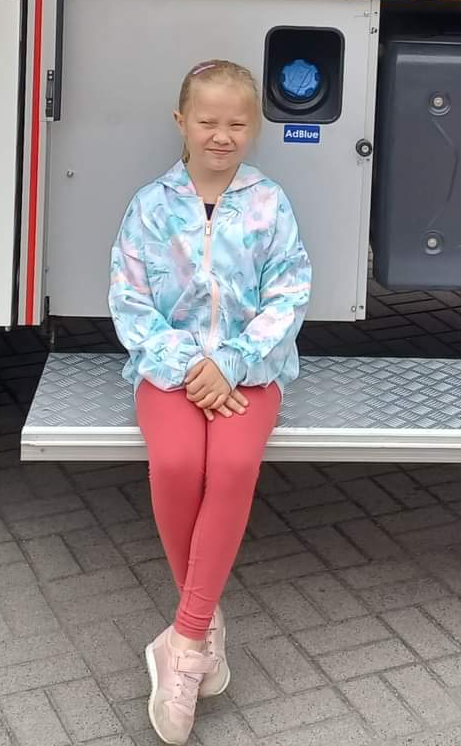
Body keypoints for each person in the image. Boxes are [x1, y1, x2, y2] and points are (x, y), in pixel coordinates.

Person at [109, 59, 312, 745]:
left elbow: (290, 293)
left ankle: (186, 640)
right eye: (207, 121)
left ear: (254, 129)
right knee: (175, 465)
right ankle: (202, 626)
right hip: (170, 370)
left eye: (237, 123)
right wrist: (188, 364)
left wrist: (231, 361)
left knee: (230, 468)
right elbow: (129, 300)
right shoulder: (149, 205)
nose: (221, 135)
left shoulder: (269, 204)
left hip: (250, 372)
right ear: (181, 122)